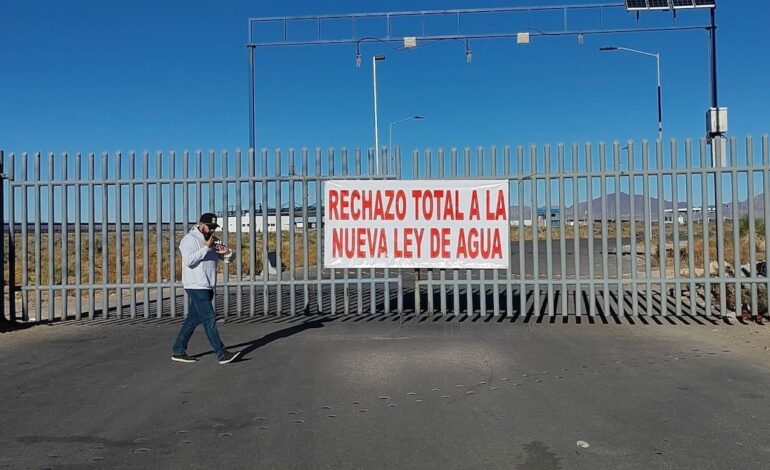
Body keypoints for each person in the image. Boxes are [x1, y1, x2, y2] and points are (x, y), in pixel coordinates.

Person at [171, 212, 240, 364]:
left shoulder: (213, 240)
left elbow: (229, 259)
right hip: (195, 285)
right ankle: (221, 353)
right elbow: (189, 261)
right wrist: (206, 248)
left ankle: (178, 350)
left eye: (214, 228)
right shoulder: (189, 240)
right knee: (209, 317)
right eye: (209, 227)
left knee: (193, 320)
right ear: (201, 225)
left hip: (208, 284)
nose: (211, 230)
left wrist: (227, 253)